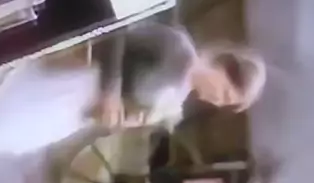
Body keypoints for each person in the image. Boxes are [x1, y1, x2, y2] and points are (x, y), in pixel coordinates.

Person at [87, 20, 266, 130]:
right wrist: (110, 90)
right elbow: (117, 31)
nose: (217, 102)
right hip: (83, 63)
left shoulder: (176, 103)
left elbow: (124, 112)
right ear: (223, 66)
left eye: (224, 103)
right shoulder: (175, 45)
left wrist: (125, 120)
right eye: (225, 93)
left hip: (79, 105)